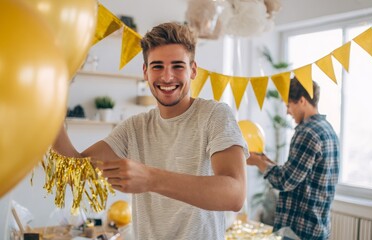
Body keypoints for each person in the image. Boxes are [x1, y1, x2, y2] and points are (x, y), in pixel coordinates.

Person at [52, 22, 248, 240]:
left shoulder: (215, 115)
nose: (166, 77)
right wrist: (50, 107)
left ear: (193, 70)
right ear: (145, 72)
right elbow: (75, 173)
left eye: (177, 66)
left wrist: (150, 178)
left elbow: (235, 194)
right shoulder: (135, 127)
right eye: (157, 66)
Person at [246, 77, 339, 239]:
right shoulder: (326, 129)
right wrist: (266, 161)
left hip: (300, 229)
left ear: (302, 101)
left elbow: (285, 181)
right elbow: (297, 174)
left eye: (288, 105)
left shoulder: (307, 132)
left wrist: (257, 162)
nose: (287, 111)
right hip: (317, 226)